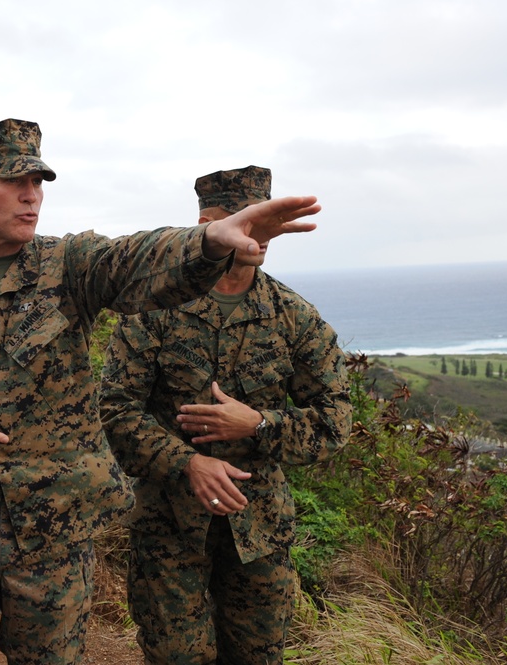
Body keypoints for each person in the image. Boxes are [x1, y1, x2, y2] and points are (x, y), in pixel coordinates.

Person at [0, 121, 321, 664]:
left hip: (52, 541)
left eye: (38, 181)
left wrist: (208, 242)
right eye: (14, 181)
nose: (31, 195)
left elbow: (135, 261)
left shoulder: (70, 266)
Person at [99, 165, 352, 664]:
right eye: (249, 220)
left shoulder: (291, 316)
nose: (261, 233)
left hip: (257, 533)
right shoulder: (155, 310)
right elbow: (115, 410)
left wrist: (258, 425)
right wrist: (186, 463)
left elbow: (336, 418)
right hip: (168, 531)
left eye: (269, 221)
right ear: (209, 222)